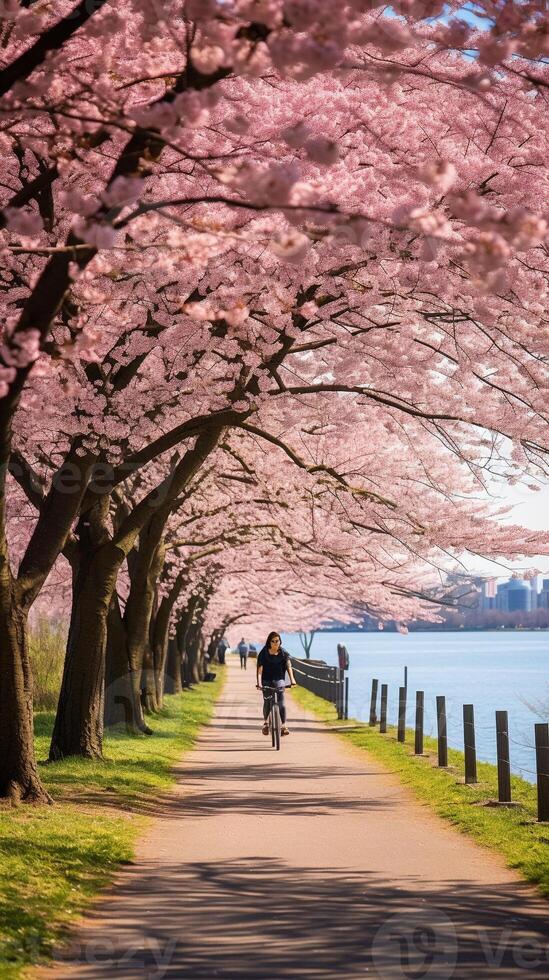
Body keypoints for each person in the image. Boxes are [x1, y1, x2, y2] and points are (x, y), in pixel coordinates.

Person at [256, 631, 297, 736]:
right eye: (273, 641)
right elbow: (260, 670)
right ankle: (265, 724)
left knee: (281, 702)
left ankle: (283, 726)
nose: (275, 643)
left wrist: (292, 680)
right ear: (269, 642)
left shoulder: (283, 653)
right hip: (266, 680)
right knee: (267, 702)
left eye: (277, 641)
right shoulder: (263, 653)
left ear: (280, 642)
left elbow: (288, 666)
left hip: (279, 679)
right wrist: (259, 683)